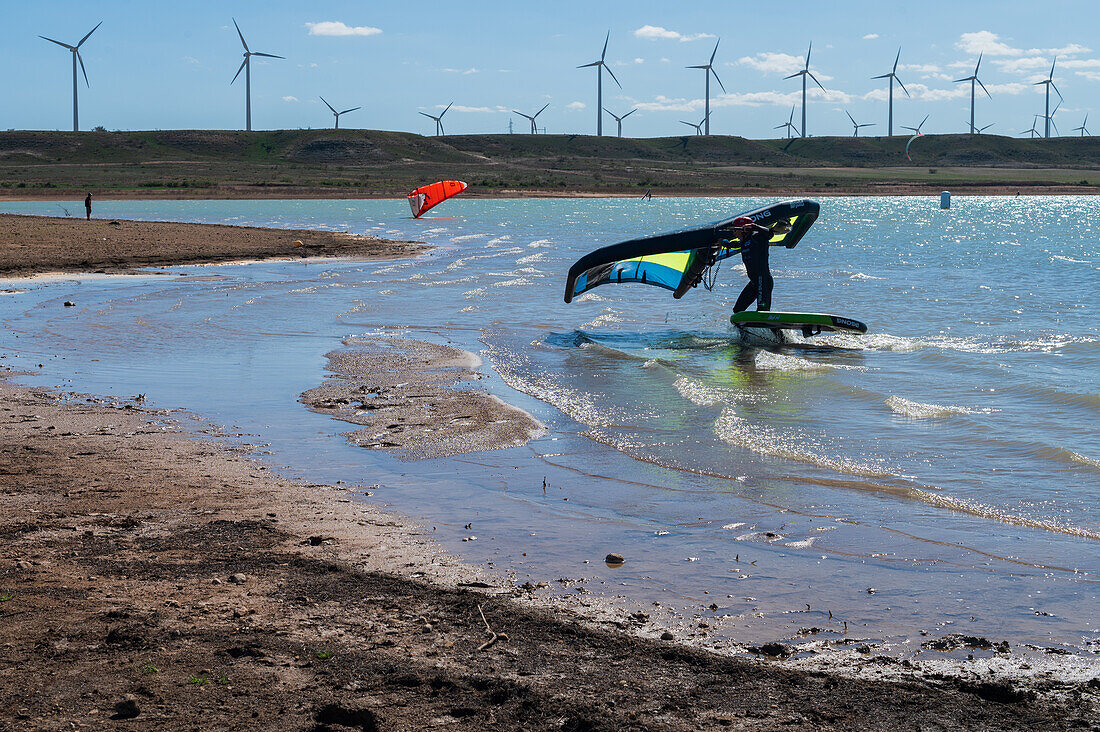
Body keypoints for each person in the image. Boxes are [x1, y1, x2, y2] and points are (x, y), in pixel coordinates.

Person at [731, 217, 790, 313]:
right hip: (754, 282)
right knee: (737, 310)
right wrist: (722, 243)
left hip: (763, 281)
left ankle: (773, 328)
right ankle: (745, 328)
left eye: (735, 230)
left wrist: (754, 227)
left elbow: (770, 234)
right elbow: (734, 245)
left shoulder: (758, 237)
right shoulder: (744, 242)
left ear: (744, 230)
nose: (734, 233)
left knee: (762, 311)